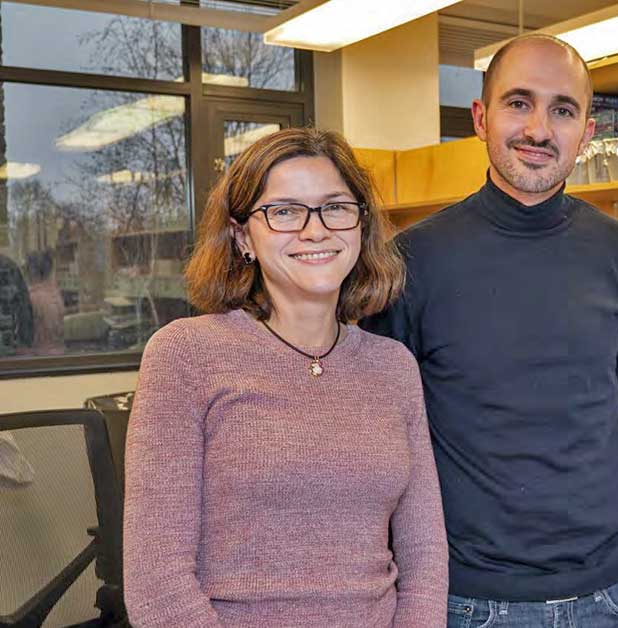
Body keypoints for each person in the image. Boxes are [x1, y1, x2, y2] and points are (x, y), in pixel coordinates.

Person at [361, 34, 618, 627]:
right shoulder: (413, 261)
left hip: (611, 594)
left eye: (563, 110)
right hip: (466, 598)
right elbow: (381, 435)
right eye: (518, 103)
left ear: (587, 132)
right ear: (481, 116)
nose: (539, 129)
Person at [122, 128, 447, 627]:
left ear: (361, 226)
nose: (315, 230)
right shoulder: (185, 354)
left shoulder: (393, 366)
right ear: (242, 236)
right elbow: (157, 583)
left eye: (335, 207)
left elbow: (424, 555)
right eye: (285, 211)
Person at [25, 250, 65, 355]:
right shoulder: (55, 294)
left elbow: (25, 338)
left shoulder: (32, 297)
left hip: (39, 357)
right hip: (59, 353)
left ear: (32, 271)